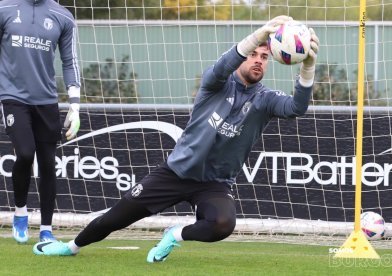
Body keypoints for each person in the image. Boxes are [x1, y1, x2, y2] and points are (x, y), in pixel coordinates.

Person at [33, 15, 319, 262]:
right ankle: (69, 248)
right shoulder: (216, 83)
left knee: (223, 224)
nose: (258, 61)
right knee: (115, 218)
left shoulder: (266, 99)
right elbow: (222, 67)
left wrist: (308, 66)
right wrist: (259, 34)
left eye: (264, 57)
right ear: (243, 57)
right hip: (176, 172)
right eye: (253, 55)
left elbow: (297, 108)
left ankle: (174, 235)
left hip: (214, 184)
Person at [0, 0, 81, 243]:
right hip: (13, 97)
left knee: (47, 164)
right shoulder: (4, 8)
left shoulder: (63, 17)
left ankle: (46, 229)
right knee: (25, 154)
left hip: (46, 101)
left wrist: (75, 105)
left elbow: (70, 61)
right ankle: (20, 212)